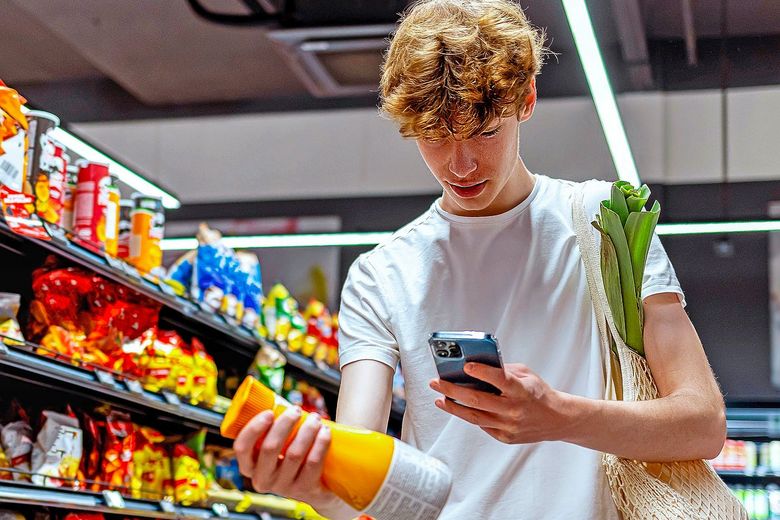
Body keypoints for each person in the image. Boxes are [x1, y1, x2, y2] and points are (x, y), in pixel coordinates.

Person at [233, 0, 727, 518]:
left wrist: (560, 416)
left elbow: (703, 423)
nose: (460, 164)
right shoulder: (382, 276)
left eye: (485, 131)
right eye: (435, 136)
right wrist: (312, 484)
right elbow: (359, 471)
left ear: (527, 100)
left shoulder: (610, 223)